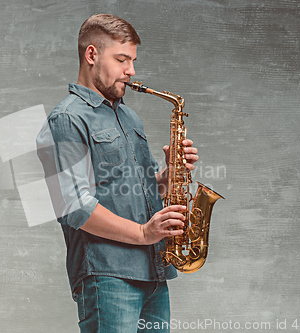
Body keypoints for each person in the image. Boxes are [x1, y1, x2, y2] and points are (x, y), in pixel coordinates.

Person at [36, 14, 199, 333]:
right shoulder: (66, 119)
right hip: (108, 278)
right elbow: (74, 206)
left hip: (153, 274)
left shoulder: (130, 118)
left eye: (133, 60)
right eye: (122, 59)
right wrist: (142, 234)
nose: (131, 71)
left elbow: (142, 191)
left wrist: (170, 174)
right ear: (92, 55)